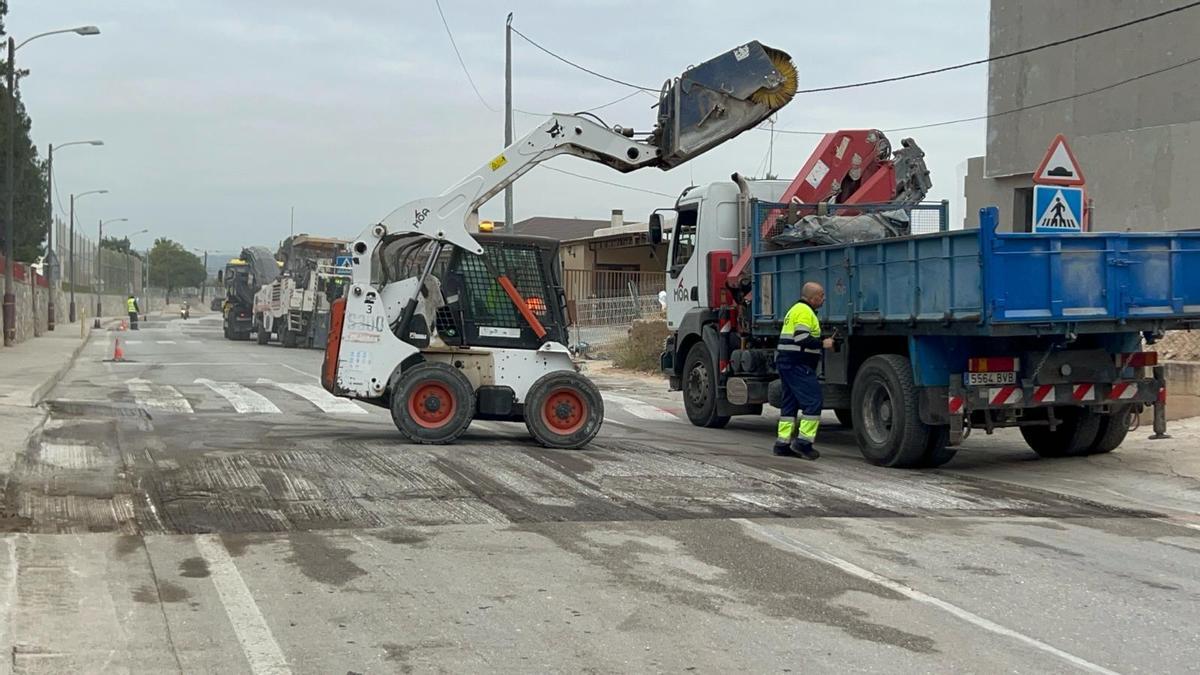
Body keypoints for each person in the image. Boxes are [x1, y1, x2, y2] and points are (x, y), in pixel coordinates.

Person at [773, 281, 834, 460]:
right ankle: (803, 443)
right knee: (813, 402)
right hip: (798, 364)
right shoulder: (805, 312)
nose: (824, 299)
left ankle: (782, 444)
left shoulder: (796, 310)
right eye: (821, 296)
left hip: (787, 362)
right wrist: (823, 343)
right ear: (813, 297)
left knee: (789, 404)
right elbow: (801, 338)